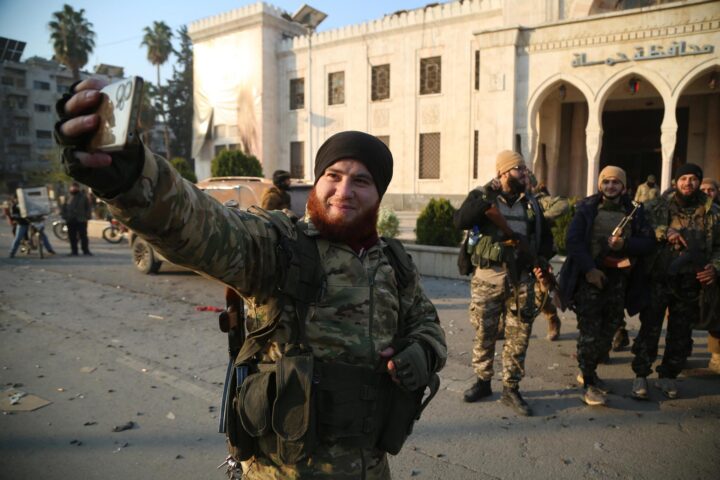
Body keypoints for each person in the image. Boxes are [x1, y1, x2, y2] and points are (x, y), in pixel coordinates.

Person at [54, 78, 447, 479]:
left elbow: (427, 324)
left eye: (361, 181)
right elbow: (202, 225)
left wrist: (421, 353)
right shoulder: (279, 244)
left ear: (378, 194)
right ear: (317, 182)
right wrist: (132, 175)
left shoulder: (394, 263)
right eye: (334, 174)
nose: (344, 190)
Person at [453, 150, 554, 416]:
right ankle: (483, 382)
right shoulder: (482, 196)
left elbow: (546, 240)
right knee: (484, 333)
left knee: (518, 336)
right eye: (518, 168)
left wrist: (541, 262)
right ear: (503, 172)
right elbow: (461, 220)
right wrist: (487, 192)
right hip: (488, 277)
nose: (524, 173)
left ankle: (511, 388)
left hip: (521, 279)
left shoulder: (531, 204)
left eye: (524, 168)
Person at [558, 166, 654, 406]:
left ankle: (590, 370)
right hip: (590, 279)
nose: (611, 186)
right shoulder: (586, 208)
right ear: (600, 184)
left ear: (623, 186)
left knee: (609, 329)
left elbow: (648, 243)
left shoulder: (633, 212)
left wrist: (624, 244)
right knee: (590, 332)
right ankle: (588, 381)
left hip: (619, 280)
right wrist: (590, 270)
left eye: (615, 182)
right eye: (606, 182)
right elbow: (573, 242)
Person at [631, 163, 719, 400]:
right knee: (650, 329)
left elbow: (719, 248)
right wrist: (664, 231)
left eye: (693, 178)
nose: (688, 183)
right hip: (659, 277)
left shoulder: (712, 211)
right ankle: (641, 374)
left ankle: (668, 375)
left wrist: (715, 267)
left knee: (680, 333)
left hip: (691, 281)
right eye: (683, 178)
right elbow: (639, 226)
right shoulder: (657, 205)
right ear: (675, 182)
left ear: (699, 182)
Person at [531, 180, 569, 340]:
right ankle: (501, 325)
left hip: (539, 252)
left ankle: (552, 318)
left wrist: (541, 218)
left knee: (541, 292)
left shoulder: (539, 200)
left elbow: (563, 205)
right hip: (517, 253)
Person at [699, 178, 720, 372]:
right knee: (680, 316)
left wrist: (716, 267)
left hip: (714, 272)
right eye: (703, 189)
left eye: (711, 190)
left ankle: (716, 356)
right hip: (688, 272)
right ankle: (678, 355)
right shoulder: (685, 211)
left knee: (716, 316)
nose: (707, 193)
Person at [62, 182, 93, 256]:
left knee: (83, 236)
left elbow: (88, 207)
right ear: (70, 188)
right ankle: (74, 251)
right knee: (72, 237)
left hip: (81, 219)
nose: (74, 188)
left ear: (78, 188)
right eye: (73, 187)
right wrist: (65, 216)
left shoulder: (83, 196)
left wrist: (87, 216)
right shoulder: (67, 197)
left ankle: (85, 250)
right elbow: (63, 207)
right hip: (70, 220)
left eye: (76, 187)